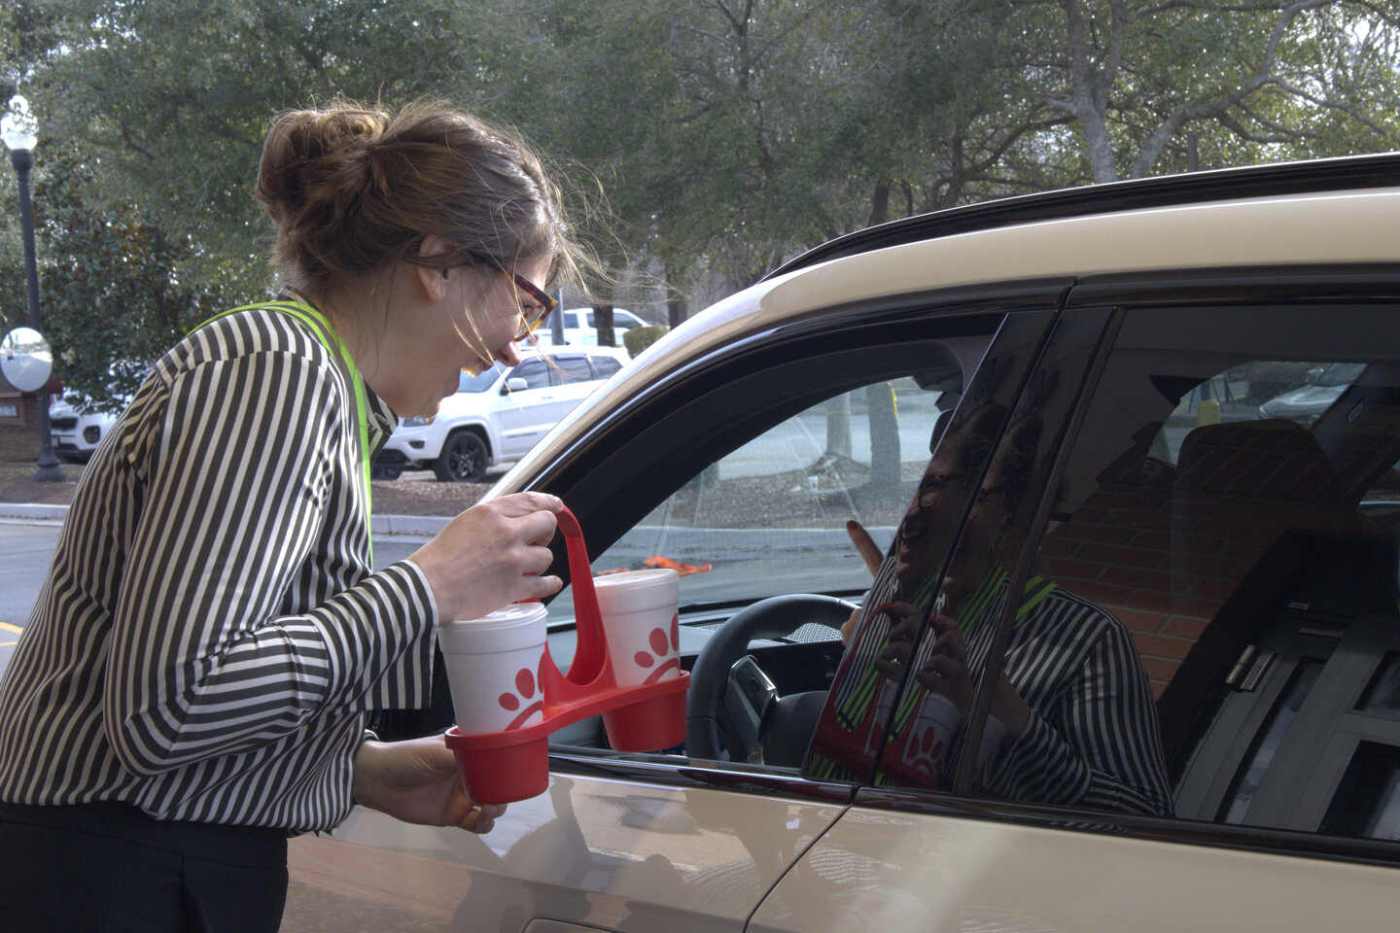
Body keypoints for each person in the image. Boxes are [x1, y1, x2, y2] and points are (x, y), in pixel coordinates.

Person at [0, 100, 587, 931]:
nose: (518, 345)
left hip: (128, 862)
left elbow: (190, 697)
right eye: (526, 300)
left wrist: (355, 769)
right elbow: (169, 704)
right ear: (439, 261)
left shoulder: (315, 381)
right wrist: (428, 587)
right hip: (119, 872)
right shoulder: (279, 369)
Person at [828, 397, 1173, 817]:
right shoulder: (903, 607)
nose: (920, 510)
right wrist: (859, 669)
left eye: (959, 491)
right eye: (924, 484)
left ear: (1013, 509)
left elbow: (1145, 819)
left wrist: (1009, 718)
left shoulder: (1086, 639)